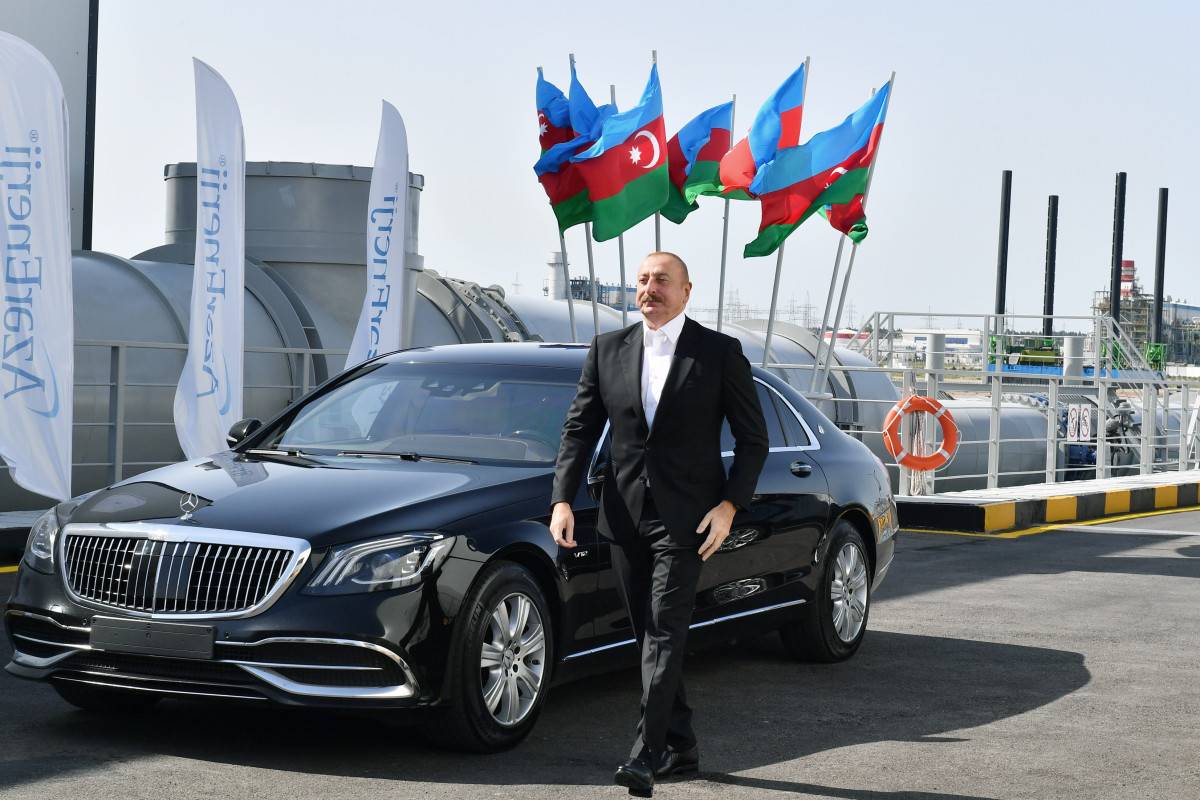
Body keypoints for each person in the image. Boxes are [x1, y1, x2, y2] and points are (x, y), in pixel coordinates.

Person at [549, 251, 769, 797]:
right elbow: (579, 430)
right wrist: (562, 500)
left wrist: (729, 506)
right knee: (648, 634)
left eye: (662, 280)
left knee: (666, 631)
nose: (650, 288)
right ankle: (681, 744)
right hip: (623, 516)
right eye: (643, 280)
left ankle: (644, 756)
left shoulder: (718, 352)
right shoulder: (606, 349)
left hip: (688, 520)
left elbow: (753, 439)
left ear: (687, 291)